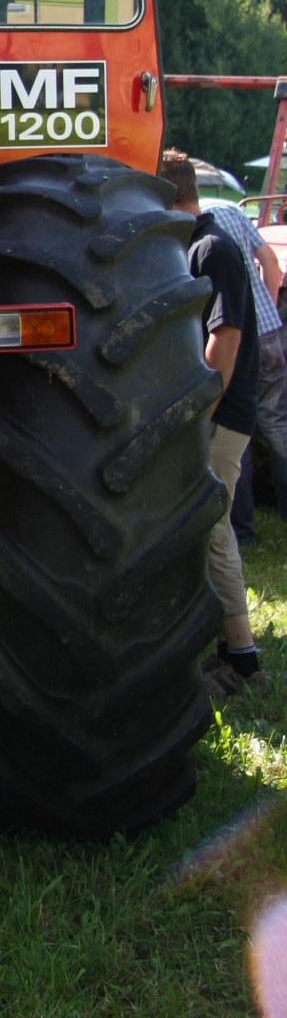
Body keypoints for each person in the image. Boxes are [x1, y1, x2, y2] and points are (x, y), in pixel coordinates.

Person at [160, 149, 269, 697]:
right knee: (209, 528)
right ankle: (223, 646)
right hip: (218, 414)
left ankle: (243, 660)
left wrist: (199, 414)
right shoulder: (201, 245)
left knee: (214, 528)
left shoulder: (212, 248)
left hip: (223, 417)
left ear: (168, 196)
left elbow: (223, 342)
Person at [201, 188, 287, 536]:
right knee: (275, 424)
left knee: (235, 426)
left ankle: (241, 525)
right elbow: (270, 262)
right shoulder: (230, 210)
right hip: (269, 334)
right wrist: (266, 309)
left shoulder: (199, 230)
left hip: (235, 335)